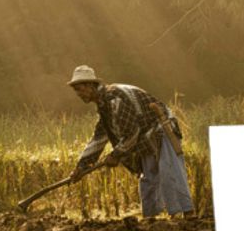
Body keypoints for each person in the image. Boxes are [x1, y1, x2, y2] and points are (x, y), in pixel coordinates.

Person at [66, 65, 194, 217]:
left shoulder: (114, 99)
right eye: (76, 91)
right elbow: (98, 138)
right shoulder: (104, 105)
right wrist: (81, 167)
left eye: (80, 89)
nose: (78, 94)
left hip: (161, 128)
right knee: (148, 178)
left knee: (170, 171)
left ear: (90, 85)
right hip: (145, 137)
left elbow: (131, 133)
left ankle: (188, 214)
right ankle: (151, 218)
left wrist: (115, 155)